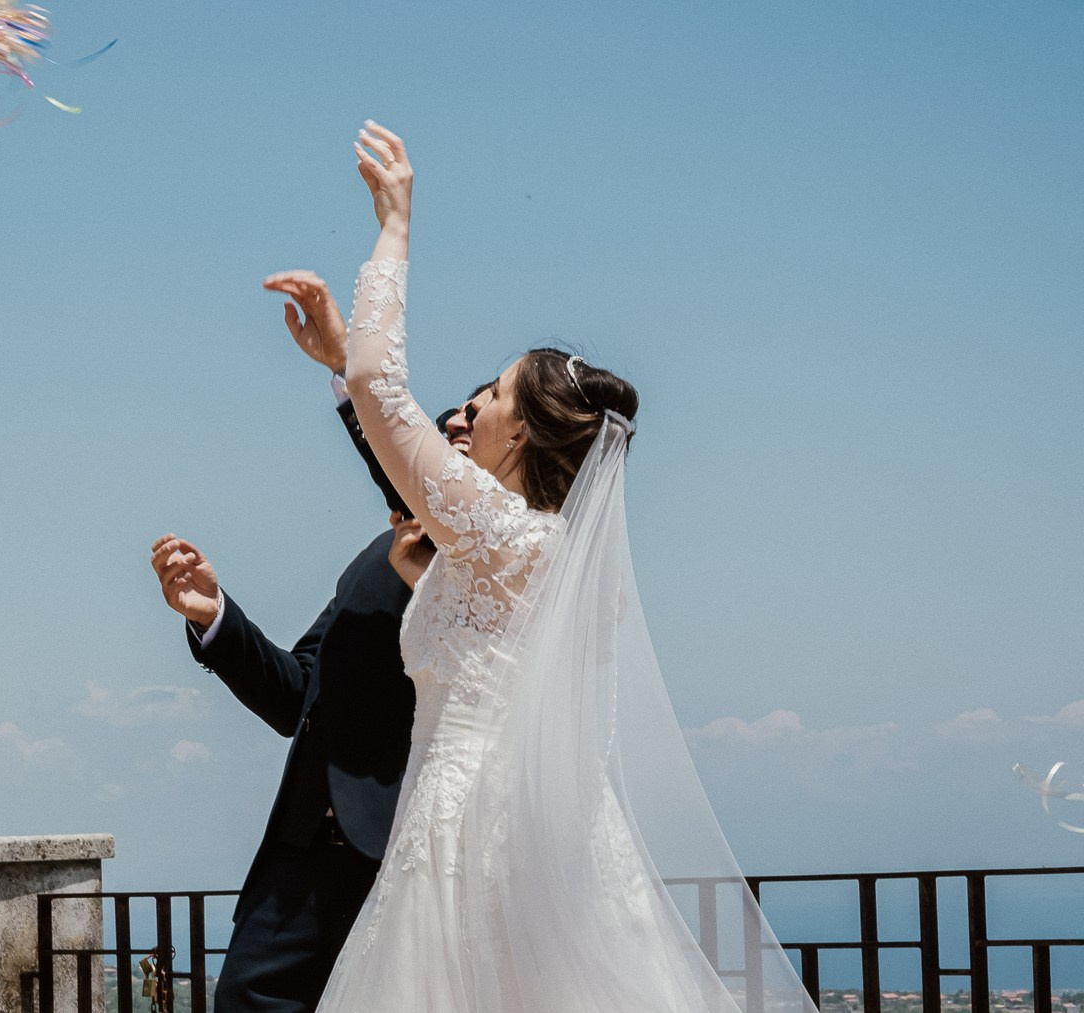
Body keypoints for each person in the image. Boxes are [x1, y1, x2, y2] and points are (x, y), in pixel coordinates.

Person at [314, 121, 818, 1012]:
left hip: (473, 838)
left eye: (496, 392)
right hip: (481, 826)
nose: (473, 404)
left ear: (525, 432)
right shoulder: (532, 550)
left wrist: (393, 226)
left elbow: (378, 385)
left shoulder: (514, 537)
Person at [146, 276, 482, 1013]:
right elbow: (299, 694)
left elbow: (403, 477)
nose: (454, 426)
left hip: (398, 864)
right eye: (449, 418)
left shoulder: (485, 559)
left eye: (469, 426)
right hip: (294, 869)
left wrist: (352, 371)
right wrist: (215, 616)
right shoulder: (376, 555)